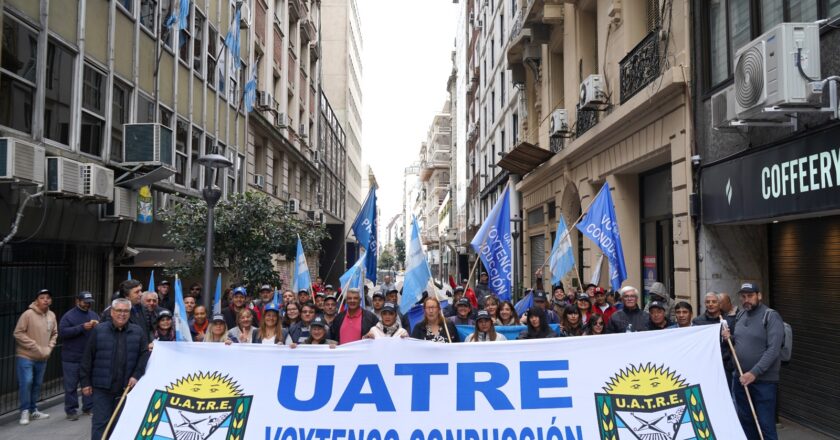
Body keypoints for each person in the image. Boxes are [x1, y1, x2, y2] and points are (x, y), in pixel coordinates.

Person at [80, 298, 149, 440]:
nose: (122, 314)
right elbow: (87, 357)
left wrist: (136, 375)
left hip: (126, 389)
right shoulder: (99, 330)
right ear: (112, 312)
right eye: (118, 310)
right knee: (100, 424)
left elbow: (144, 356)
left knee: (121, 424)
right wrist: (85, 382)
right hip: (102, 388)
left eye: (125, 311)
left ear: (129, 313)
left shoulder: (138, 331)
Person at [725, 283, 784, 440]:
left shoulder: (771, 316)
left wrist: (753, 373)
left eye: (750, 296)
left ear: (759, 296)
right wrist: (728, 338)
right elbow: (740, 342)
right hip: (741, 379)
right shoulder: (740, 315)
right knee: (746, 422)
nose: (746, 300)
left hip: (763, 381)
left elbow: (773, 350)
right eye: (743, 296)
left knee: (765, 425)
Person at [14, 288, 58, 425]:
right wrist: (34, 346)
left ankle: (33, 410)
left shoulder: (52, 315)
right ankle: (25, 410)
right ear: (36, 300)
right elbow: (18, 333)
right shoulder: (28, 314)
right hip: (26, 355)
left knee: (37, 384)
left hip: (43, 357)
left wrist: (49, 348)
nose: (46, 300)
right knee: (27, 381)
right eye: (42, 297)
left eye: (48, 297)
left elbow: (55, 333)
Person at [59, 291, 99, 420]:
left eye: (89, 303)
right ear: (77, 301)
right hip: (71, 357)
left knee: (88, 383)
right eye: (85, 302)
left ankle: (88, 407)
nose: (87, 305)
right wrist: (82, 327)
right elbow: (63, 332)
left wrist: (98, 326)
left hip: (88, 357)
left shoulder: (93, 315)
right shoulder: (69, 316)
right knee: (71, 385)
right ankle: (71, 410)